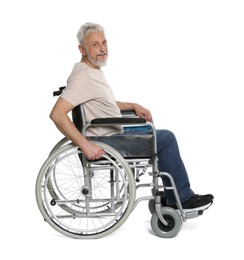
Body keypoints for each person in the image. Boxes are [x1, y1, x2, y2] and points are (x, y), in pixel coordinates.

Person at [50, 22, 214, 212]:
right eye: (95, 45)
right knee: (165, 139)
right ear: (82, 49)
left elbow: (104, 103)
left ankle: (172, 196)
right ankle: (182, 199)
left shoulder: (91, 71)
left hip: (111, 133)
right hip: (107, 140)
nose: (102, 49)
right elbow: (57, 114)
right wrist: (84, 144)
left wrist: (133, 106)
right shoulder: (83, 76)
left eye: (104, 43)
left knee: (151, 131)